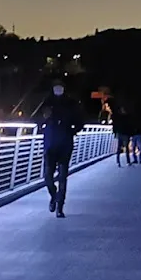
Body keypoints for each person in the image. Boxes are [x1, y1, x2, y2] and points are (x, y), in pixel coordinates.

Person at [33, 79, 87, 217]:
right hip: (51, 143)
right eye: (56, 87)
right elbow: (35, 119)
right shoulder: (46, 102)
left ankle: (60, 207)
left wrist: (72, 131)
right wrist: (42, 124)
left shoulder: (71, 103)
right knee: (48, 176)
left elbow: (80, 121)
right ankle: (54, 195)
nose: (58, 89)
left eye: (60, 87)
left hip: (64, 143)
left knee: (63, 176)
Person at [112, 102, 133, 168]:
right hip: (124, 134)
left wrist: (115, 132)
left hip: (122, 133)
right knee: (124, 147)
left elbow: (115, 125)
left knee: (121, 147)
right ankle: (126, 161)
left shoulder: (119, 117)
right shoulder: (127, 117)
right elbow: (129, 126)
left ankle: (120, 161)